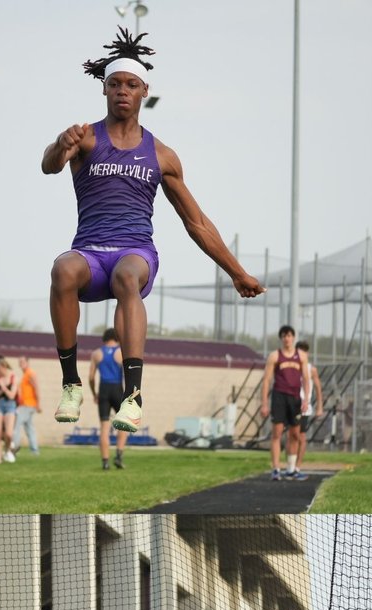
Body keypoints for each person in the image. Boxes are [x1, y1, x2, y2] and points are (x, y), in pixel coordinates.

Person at [42, 27, 264, 432]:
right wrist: (60, 142)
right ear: (104, 90)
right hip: (90, 253)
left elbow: (196, 222)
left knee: (127, 276)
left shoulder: (161, 154)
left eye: (130, 84)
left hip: (135, 252)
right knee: (62, 269)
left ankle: (134, 395)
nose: (122, 91)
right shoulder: (86, 138)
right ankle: (71, 383)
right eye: (114, 85)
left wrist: (237, 272)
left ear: (145, 90)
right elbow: (49, 165)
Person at [260, 324, 307, 481]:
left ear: (293, 338)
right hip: (279, 397)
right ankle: (275, 469)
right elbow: (266, 380)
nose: (287, 338)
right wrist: (264, 403)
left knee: (294, 434)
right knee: (277, 433)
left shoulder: (301, 356)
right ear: (281, 338)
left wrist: (306, 400)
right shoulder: (275, 356)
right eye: (284, 336)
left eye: (289, 335)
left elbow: (306, 379)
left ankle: (291, 468)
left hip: (295, 398)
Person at [90, 327, 129, 469]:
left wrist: (94, 394)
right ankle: (119, 455)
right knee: (124, 423)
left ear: (104, 338)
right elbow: (127, 374)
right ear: (116, 338)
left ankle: (105, 462)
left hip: (104, 390)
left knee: (104, 427)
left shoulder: (96, 353)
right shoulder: (121, 352)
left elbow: (91, 377)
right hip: (118, 389)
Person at [293, 339, 325, 476]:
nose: (302, 354)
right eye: (299, 351)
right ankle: (290, 464)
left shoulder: (311, 369)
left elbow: (318, 388)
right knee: (292, 435)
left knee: (301, 436)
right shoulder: (293, 367)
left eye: (304, 351)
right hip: (291, 404)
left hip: (304, 406)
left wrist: (319, 406)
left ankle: (297, 466)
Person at [0, 355, 19, 464]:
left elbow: (12, 396)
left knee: (8, 434)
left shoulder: (13, 377)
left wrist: (3, 387)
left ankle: (7, 451)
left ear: (3, 366)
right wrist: (0, 391)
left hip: (10, 405)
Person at [13, 356, 42, 456]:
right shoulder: (25, 374)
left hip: (27, 405)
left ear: (27, 362)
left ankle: (14, 449)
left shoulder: (30, 373)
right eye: (19, 361)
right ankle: (35, 451)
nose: (20, 363)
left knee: (15, 426)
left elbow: (36, 388)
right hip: (25, 405)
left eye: (22, 361)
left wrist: (38, 404)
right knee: (29, 428)